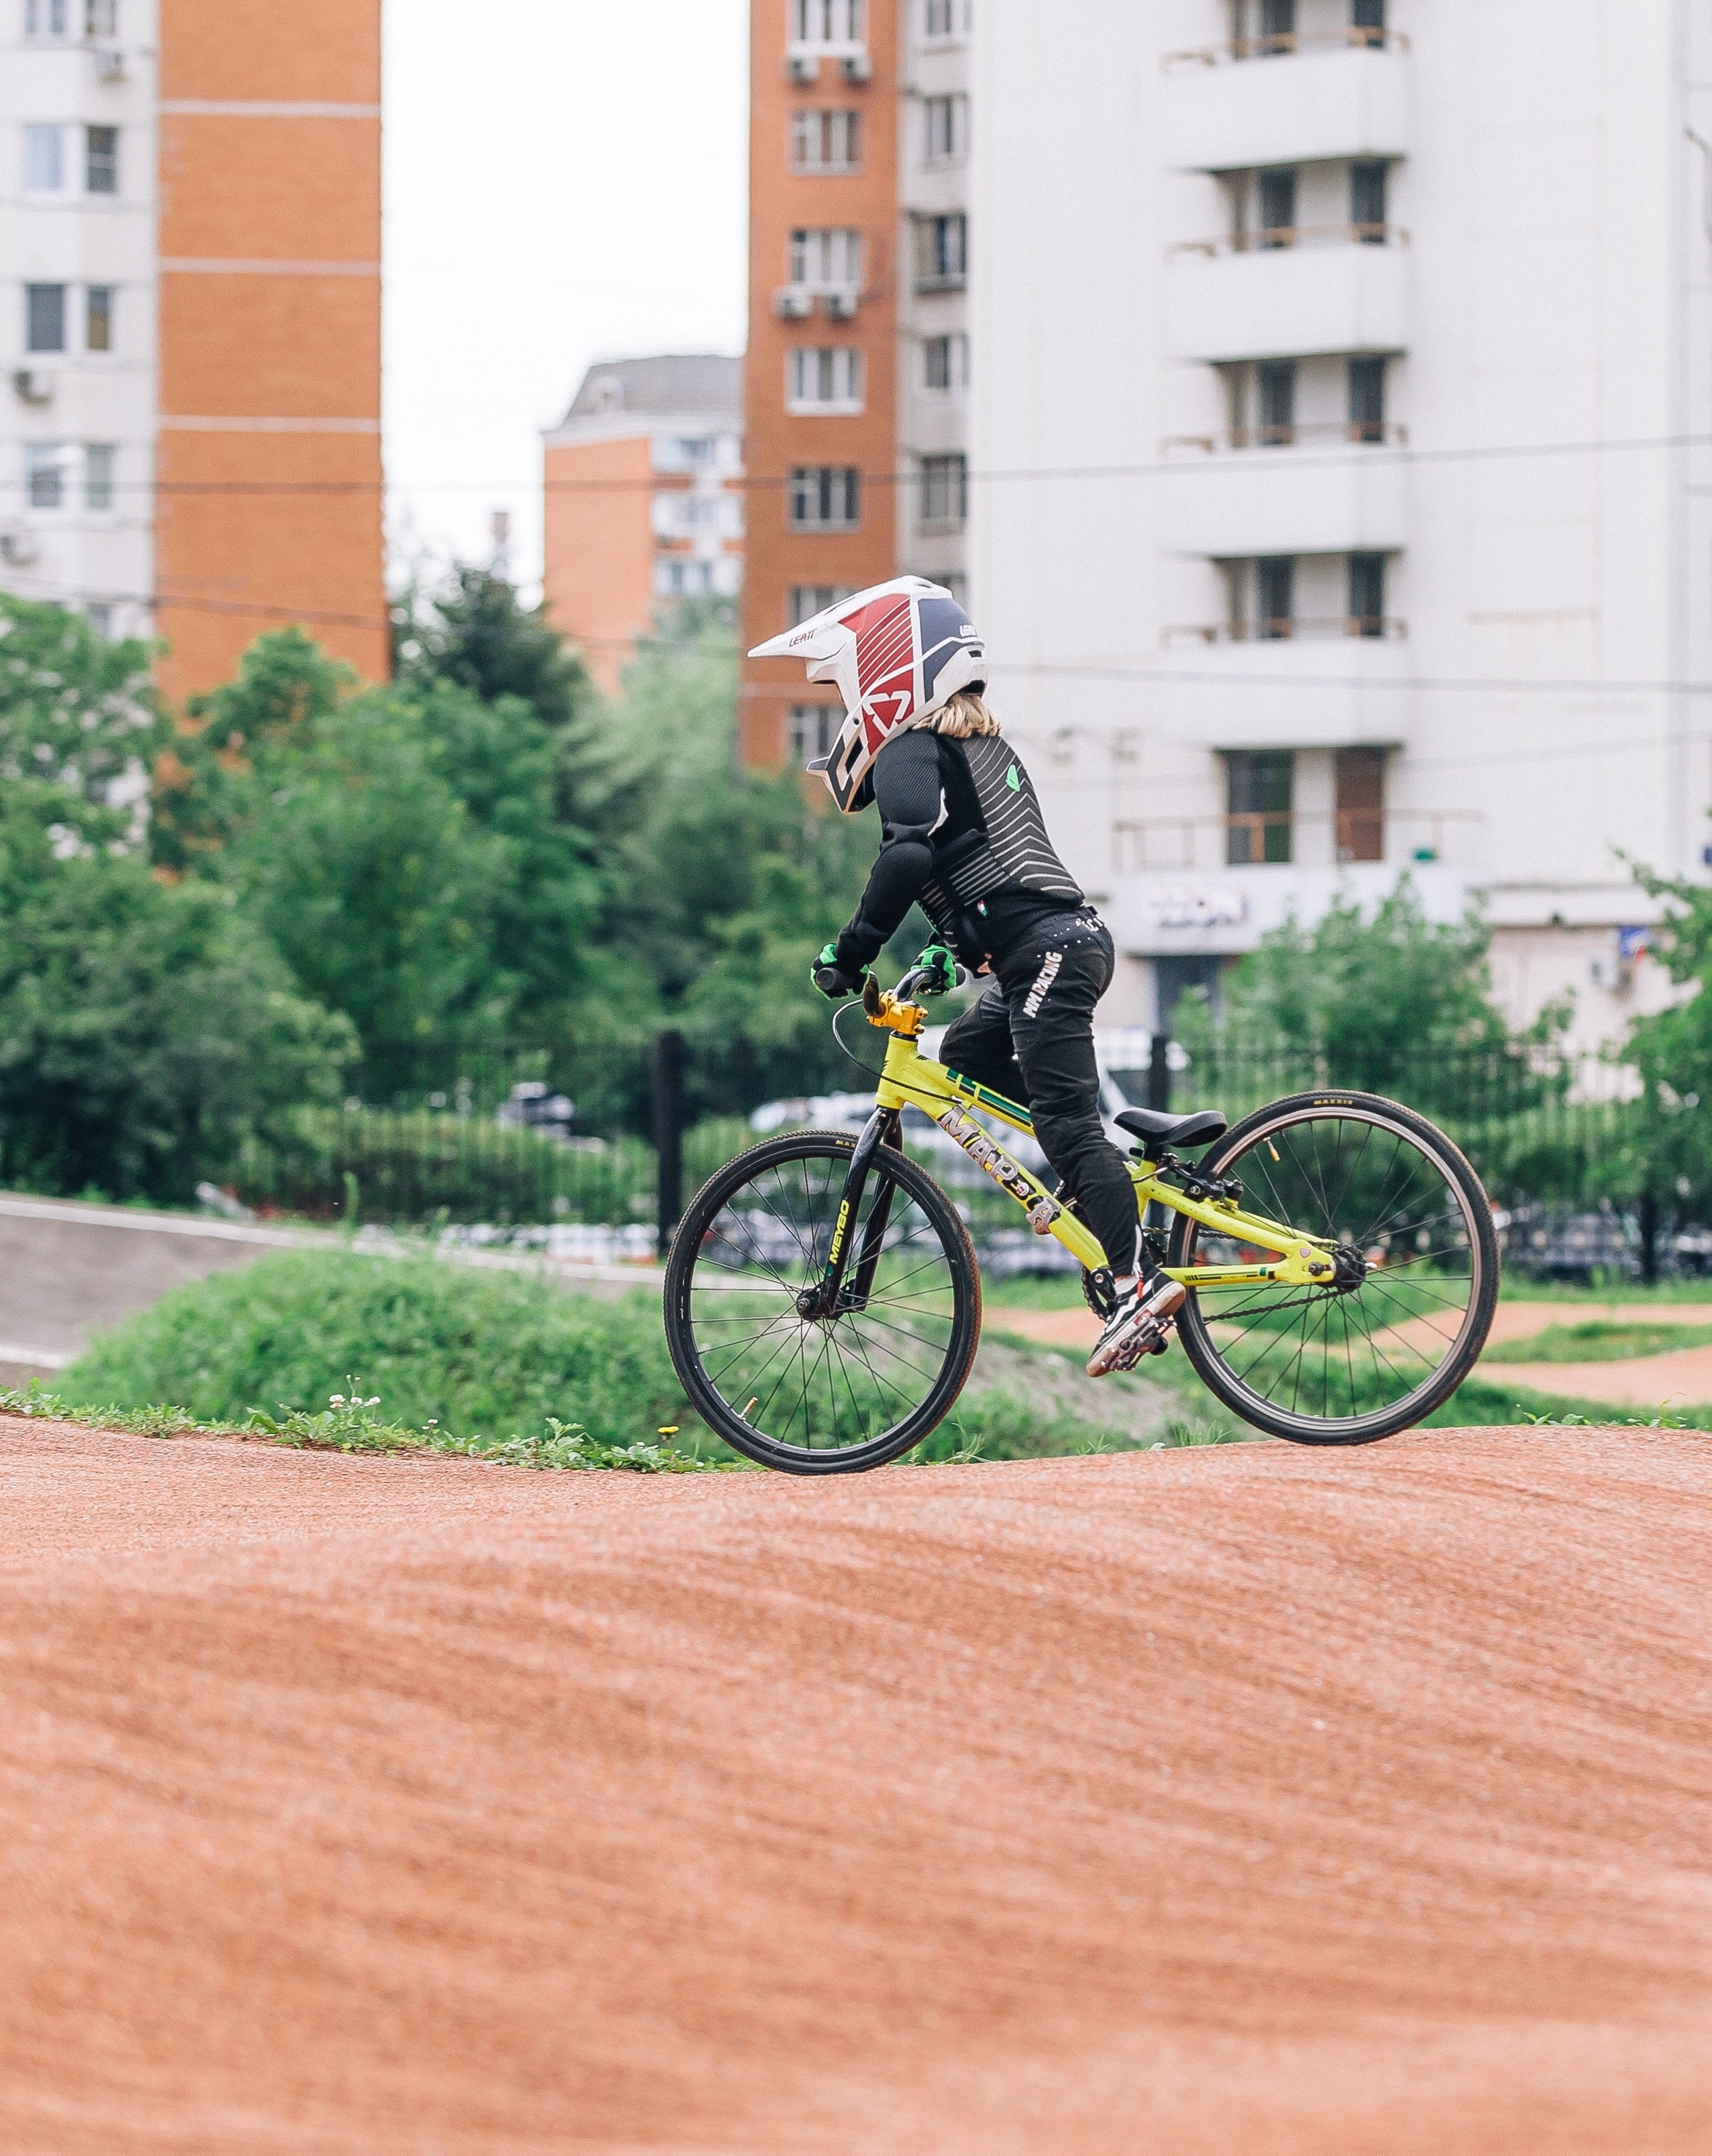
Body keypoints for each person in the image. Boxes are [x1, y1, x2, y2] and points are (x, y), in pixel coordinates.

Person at [748, 576, 1184, 1376]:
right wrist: (953, 942)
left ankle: (1132, 1282)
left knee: (1064, 1117)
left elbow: (910, 850)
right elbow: (981, 857)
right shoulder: (978, 747)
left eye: (847, 689)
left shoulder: (914, 745)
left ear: (891, 672)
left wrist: (851, 950)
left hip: (1046, 951)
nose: (846, 712)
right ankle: (1103, 1187)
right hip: (1049, 944)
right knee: (968, 1060)